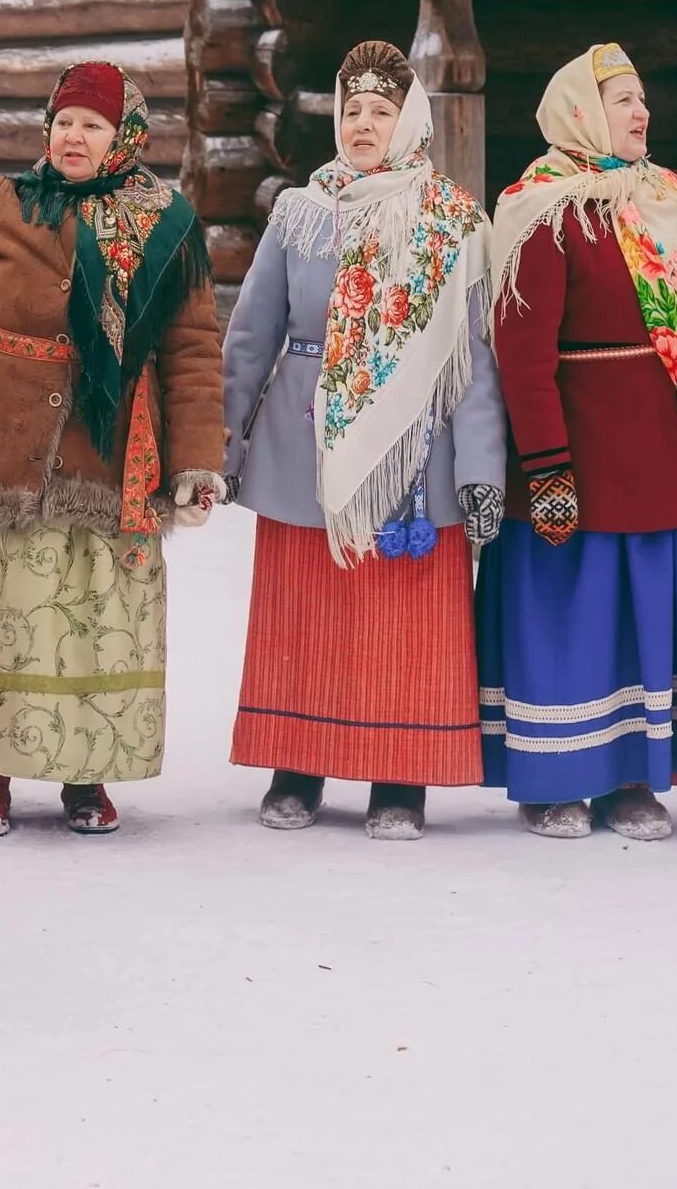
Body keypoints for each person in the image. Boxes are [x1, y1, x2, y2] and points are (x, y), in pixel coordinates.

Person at [0, 60, 226, 838]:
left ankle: (85, 774)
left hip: (104, 455)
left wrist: (196, 461)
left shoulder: (167, 224)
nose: (73, 135)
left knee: (88, 617)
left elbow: (193, 349)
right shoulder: (8, 201)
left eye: (91, 124)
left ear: (125, 137)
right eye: (64, 121)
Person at [222, 42, 506, 838]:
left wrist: (483, 471)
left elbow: (473, 357)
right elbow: (251, 337)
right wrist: (222, 448)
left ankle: (399, 779)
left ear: (408, 121)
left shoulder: (451, 220)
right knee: (306, 610)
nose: (363, 124)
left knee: (402, 621)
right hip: (303, 446)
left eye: (380, 111)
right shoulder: (301, 213)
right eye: (351, 111)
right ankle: (296, 766)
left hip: (416, 454)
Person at [477, 43, 677, 839]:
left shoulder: (667, 199)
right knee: (570, 618)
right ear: (580, 114)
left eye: (641, 99)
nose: (641, 113)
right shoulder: (540, 208)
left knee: (639, 617)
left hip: (662, 461)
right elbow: (521, 357)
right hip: (577, 461)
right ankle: (553, 778)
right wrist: (547, 466)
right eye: (623, 100)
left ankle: (632, 778)